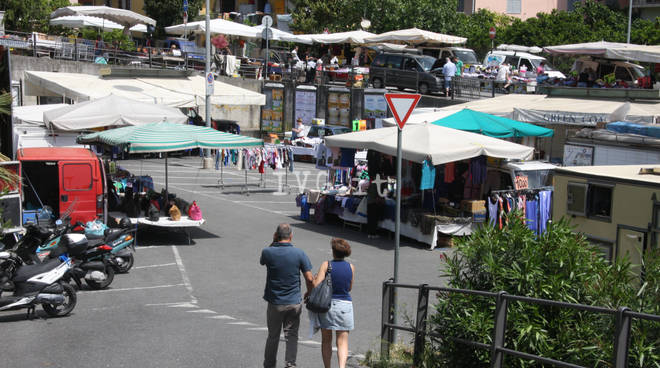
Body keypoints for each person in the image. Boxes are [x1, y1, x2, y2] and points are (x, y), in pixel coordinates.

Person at [260, 223, 314, 368]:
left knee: (273, 336)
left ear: (276, 236)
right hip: (294, 302)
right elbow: (309, 278)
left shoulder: (268, 252)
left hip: (275, 301)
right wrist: (309, 292)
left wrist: (273, 241)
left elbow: (262, 262)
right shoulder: (299, 253)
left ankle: (269, 364)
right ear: (291, 236)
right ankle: (290, 364)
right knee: (291, 335)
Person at [312, 238, 355, 368]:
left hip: (327, 306)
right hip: (345, 305)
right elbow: (349, 288)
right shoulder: (351, 267)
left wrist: (314, 278)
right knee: (342, 342)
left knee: (326, 341)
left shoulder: (326, 265)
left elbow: (316, 286)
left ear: (333, 252)